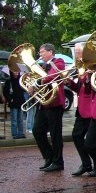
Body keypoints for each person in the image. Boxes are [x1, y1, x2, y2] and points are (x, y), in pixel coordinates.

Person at [31, 43, 66, 172]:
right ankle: (49, 157)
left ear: (50, 52)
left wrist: (36, 82)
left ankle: (58, 162)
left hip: (55, 103)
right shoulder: (41, 66)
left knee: (55, 134)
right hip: (44, 103)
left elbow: (51, 77)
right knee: (37, 130)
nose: (40, 55)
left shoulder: (59, 61)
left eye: (42, 52)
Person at [65, 43, 94, 175]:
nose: (76, 55)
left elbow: (90, 88)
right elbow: (79, 90)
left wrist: (88, 79)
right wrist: (69, 83)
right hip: (82, 109)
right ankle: (86, 163)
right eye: (75, 52)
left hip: (91, 109)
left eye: (78, 52)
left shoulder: (90, 66)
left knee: (93, 142)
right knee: (76, 136)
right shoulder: (79, 67)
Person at [3, 70, 27, 139]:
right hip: (13, 102)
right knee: (14, 120)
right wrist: (9, 99)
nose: (16, 72)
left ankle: (20, 133)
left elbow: (24, 90)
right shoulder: (9, 81)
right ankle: (14, 134)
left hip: (20, 101)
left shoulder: (20, 80)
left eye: (17, 71)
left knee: (20, 119)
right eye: (14, 71)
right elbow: (5, 92)